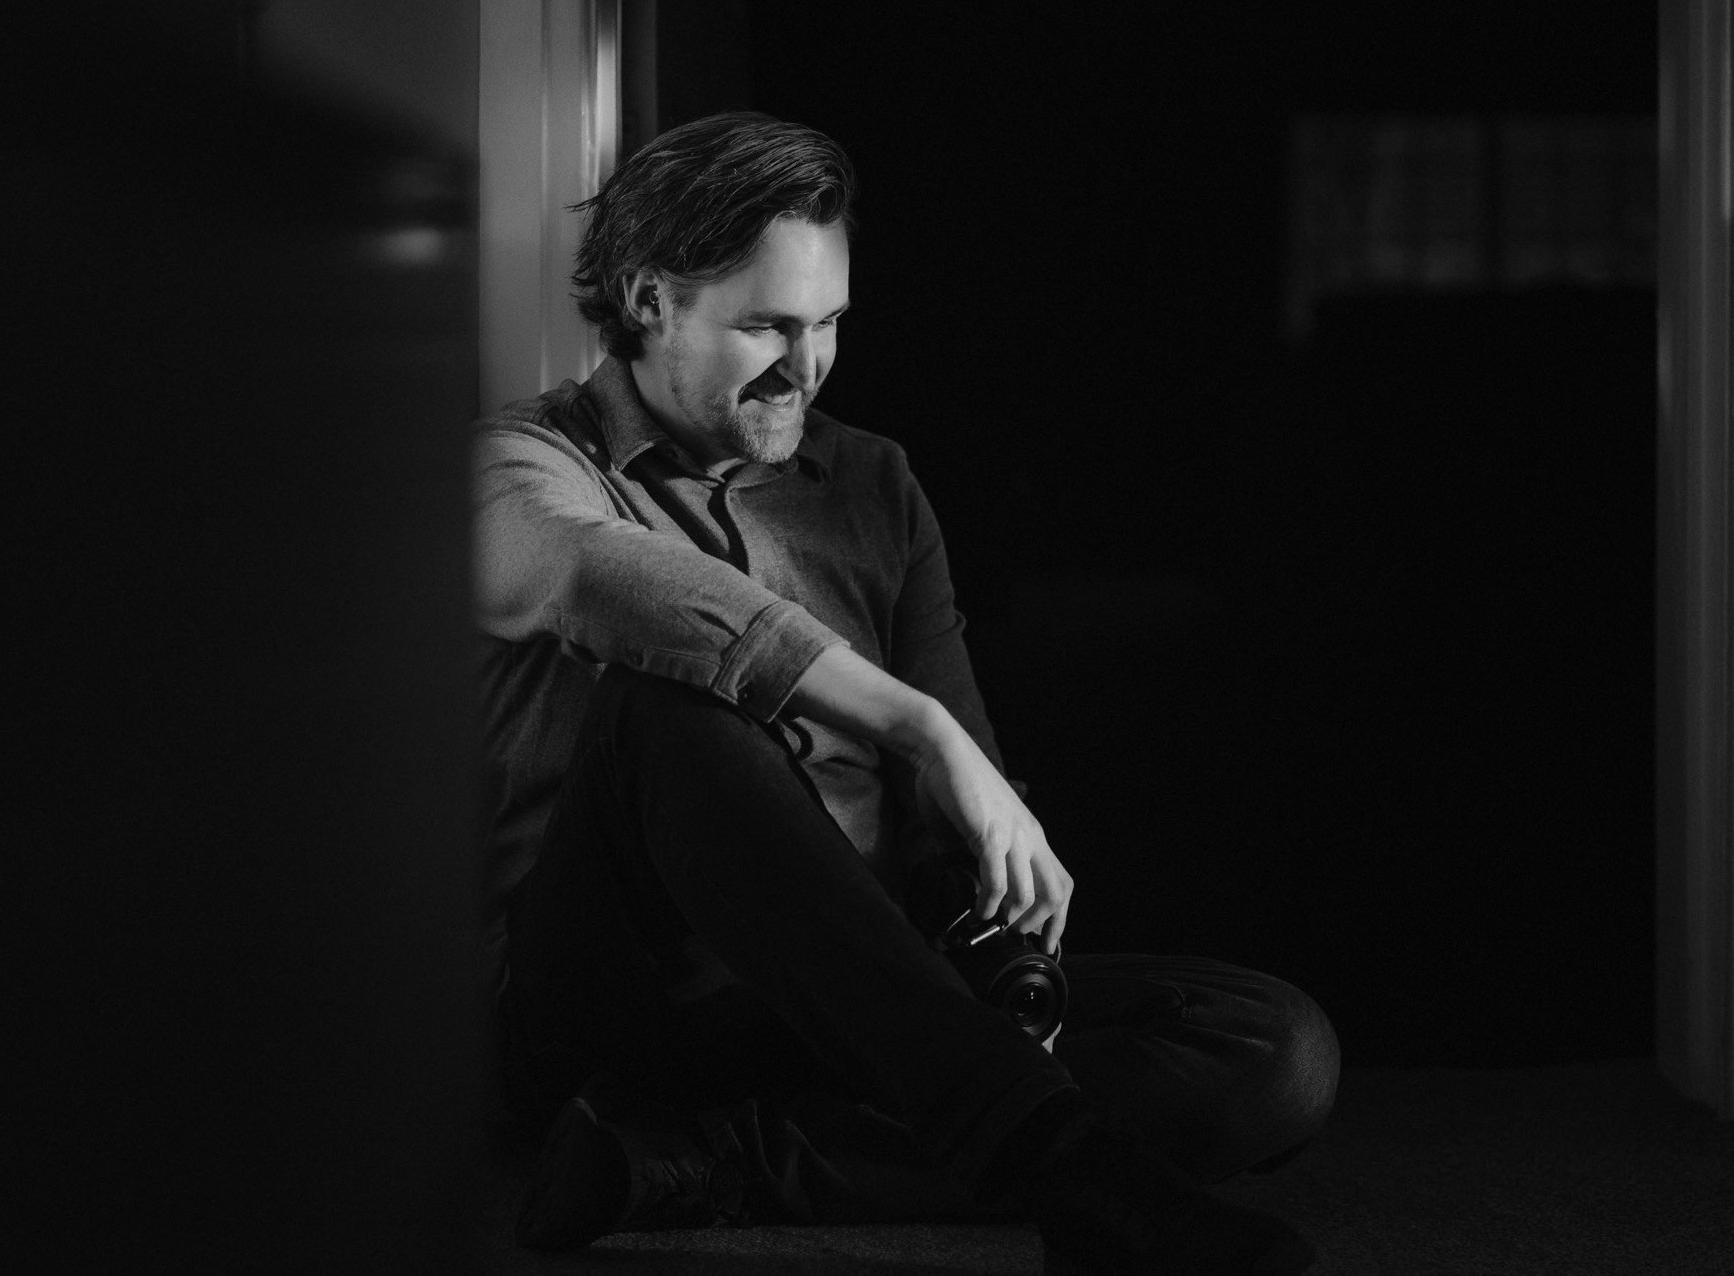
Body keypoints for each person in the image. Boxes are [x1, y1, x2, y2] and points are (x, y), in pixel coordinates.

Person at [474, 111, 1338, 1274]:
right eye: (766, 326)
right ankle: (1058, 1165)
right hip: (608, 998)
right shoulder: (520, 466)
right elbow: (596, 575)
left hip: (853, 1004)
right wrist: (911, 724)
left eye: (827, 322)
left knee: (1268, 1048)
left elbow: (955, 800)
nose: (806, 363)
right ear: (643, 300)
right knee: (670, 713)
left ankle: (697, 1161)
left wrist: (985, 937)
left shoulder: (871, 483)